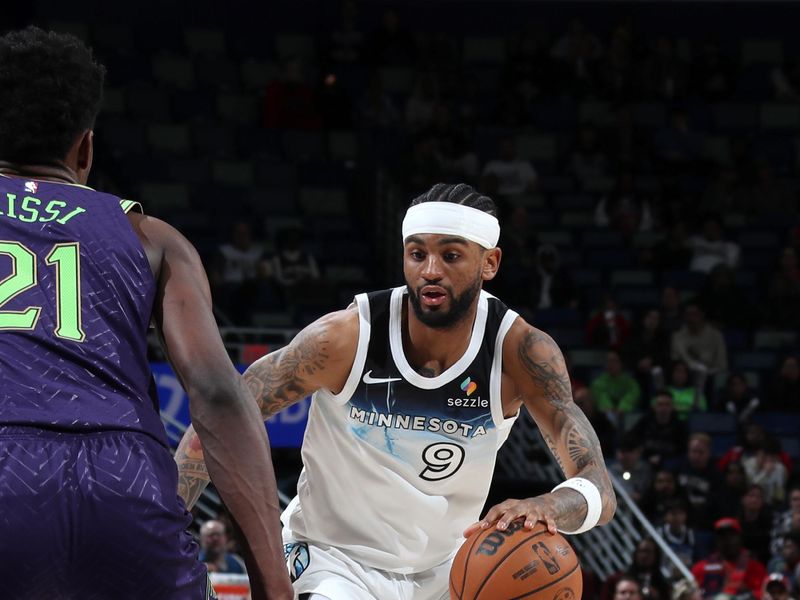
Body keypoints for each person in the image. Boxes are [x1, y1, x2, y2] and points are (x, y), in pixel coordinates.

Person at [177, 182, 618, 600]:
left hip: (450, 569)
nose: (430, 271)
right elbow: (220, 416)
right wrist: (165, 531)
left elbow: (598, 485)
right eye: (417, 254)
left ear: (490, 263)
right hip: (335, 560)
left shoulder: (521, 351)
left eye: (450, 256)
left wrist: (549, 506)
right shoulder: (345, 338)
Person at [0, 27, 292, 600]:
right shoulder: (151, 236)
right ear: (85, 149)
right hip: (123, 478)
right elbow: (218, 394)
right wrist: (273, 588)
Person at [691, 517, 767, 599]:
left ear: (740, 538)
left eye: (732, 535)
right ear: (716, 540)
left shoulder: (755, 568)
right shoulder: (701, 568)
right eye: (722, 536)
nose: (727, 540)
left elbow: (764, 593)